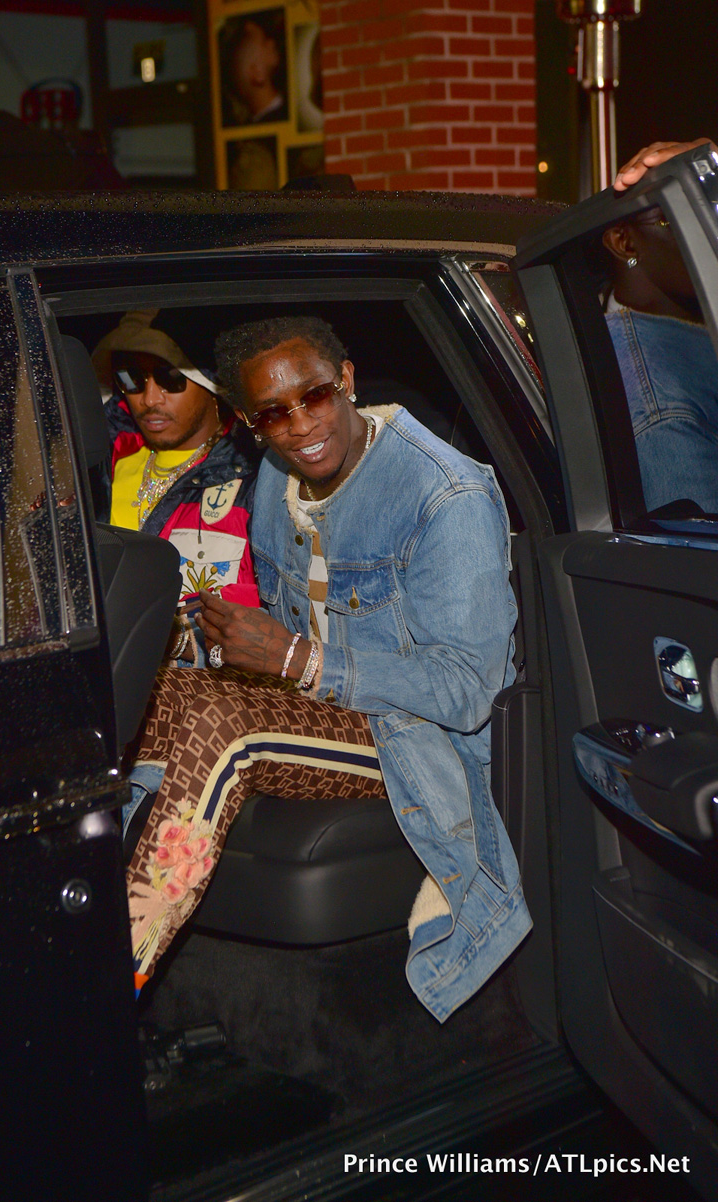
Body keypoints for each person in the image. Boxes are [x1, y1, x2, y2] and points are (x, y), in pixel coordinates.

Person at [125, 315, 531, 1021]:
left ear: (345, 380)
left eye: (312, 396)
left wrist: (295, 658)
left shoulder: (444, 494)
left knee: (224, 724)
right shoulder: (276, 483)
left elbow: (470, 692)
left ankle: (108, 987)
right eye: (272, 414)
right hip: (324, 703)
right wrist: (219, 644)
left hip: (420, 736)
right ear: (251, 423)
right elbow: (281, 633)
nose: (299, 426)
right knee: (159, 687)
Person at [91, 309, 261, 662]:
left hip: (204, 680)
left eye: (170, 378)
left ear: (212, 384)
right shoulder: (98, 465)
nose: (150, 399)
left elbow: (267, 609)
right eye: (131, 378)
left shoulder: (255, 480)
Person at [603, 140, 718, 514]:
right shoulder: (663, 408)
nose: (707, 230)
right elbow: (695, 548)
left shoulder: (689, 328)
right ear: (625, 242)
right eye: (677, 219)